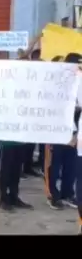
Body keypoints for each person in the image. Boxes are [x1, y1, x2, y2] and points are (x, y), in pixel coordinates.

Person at [44, 52, 80, 210]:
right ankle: (52, 194)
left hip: (73, 131)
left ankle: (67, 193)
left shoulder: (78, 83)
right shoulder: (56, 83)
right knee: (54, 163)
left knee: (70, 163)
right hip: (56, 130)